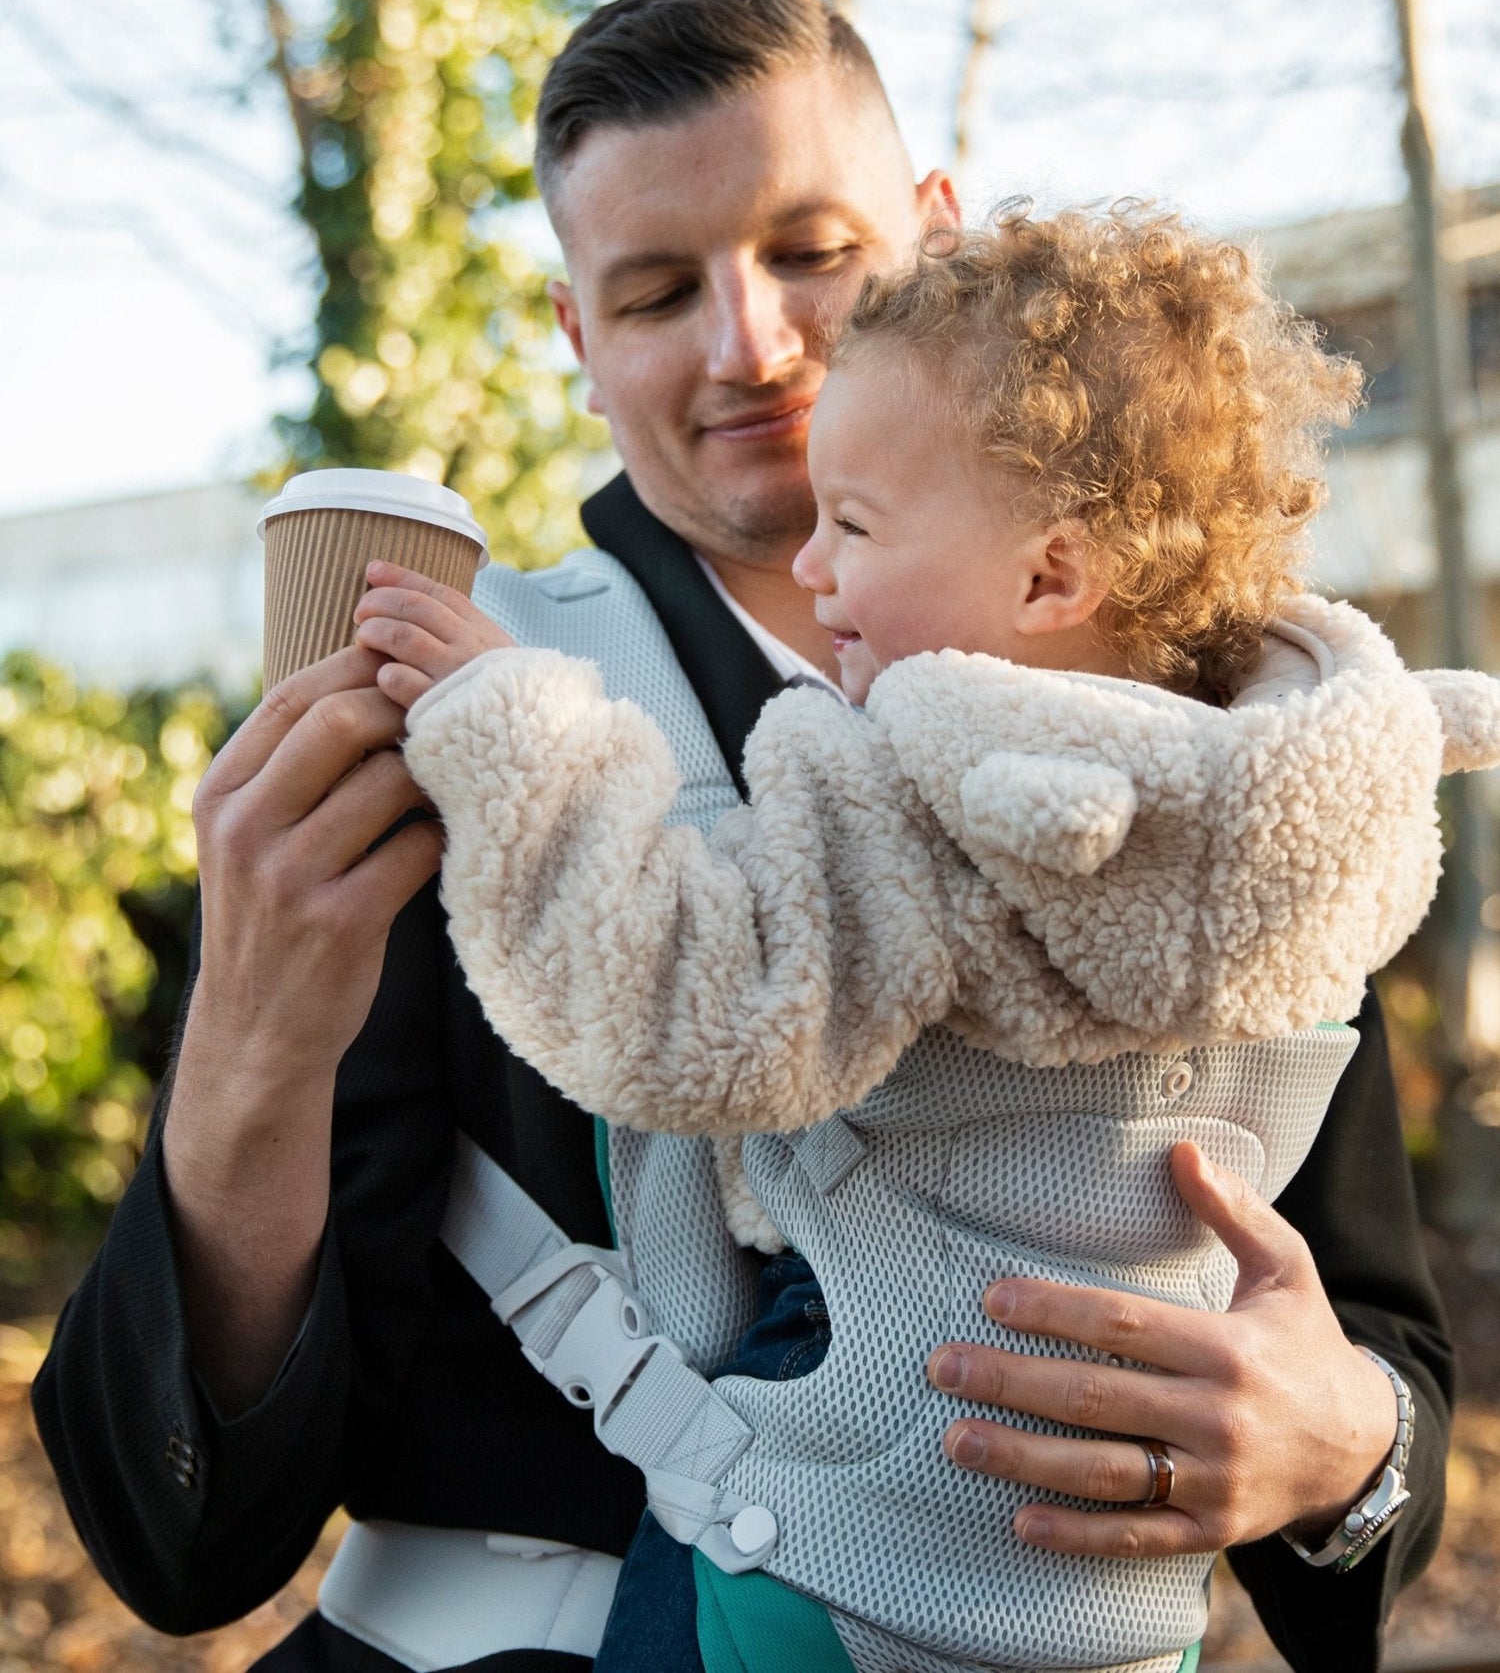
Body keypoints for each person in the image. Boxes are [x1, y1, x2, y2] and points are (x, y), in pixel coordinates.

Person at [32, 0, 1452, 1673]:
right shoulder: (431, 713)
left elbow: (1365, 1369)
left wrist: (1341, 1452)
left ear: (936, 239)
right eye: (654, 292)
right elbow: (181, 1537)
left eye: (810, 252)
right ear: (577, 342)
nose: (749, 346)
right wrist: (252, 1041)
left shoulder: (1234, 739)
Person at [359, 205, 1497, 1672]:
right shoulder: (1314, 811)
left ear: (1046, 575)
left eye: (857, 526)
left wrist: (513, 734)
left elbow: (674, 1017)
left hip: (823, 1562)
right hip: (1110, 1622)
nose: (820, 572)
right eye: (655, 286)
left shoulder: (923, 791)